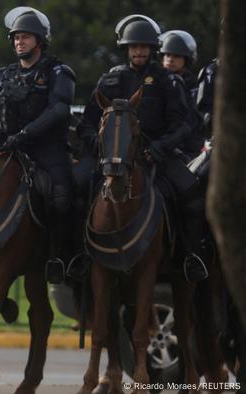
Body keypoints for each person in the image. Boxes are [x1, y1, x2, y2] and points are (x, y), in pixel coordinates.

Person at [78, 14, 208, 281]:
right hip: (112, 159)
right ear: (126, 49)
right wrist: (101, 147)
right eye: (133, 46)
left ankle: (191, 258)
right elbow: (87, 125)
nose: (138, 51)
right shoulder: (109, 80)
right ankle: (74, 256)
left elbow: (183, 124)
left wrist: (160, 148)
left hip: (156, 156)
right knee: (73, 188)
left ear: (152, 50)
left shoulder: (167, 81)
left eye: (143, 46)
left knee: (191, 194)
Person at [0, 6, 75, 284]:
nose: (20, 41)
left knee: (62, 195)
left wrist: (24, 135)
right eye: (17, 37)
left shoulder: (58, 72)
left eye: (26, 37)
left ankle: (60, 256)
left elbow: (58, 111)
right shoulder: (3, 76)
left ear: (40, 41)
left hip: (46, 150)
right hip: (5, 150)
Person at [159, 30, 203, 158]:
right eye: (167, 55)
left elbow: (193, 120)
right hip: (157, 145)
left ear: (187, 59)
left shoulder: (194, 85)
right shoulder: (155, 82)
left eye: (177, 56)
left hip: (188, 149)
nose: (171, 59)